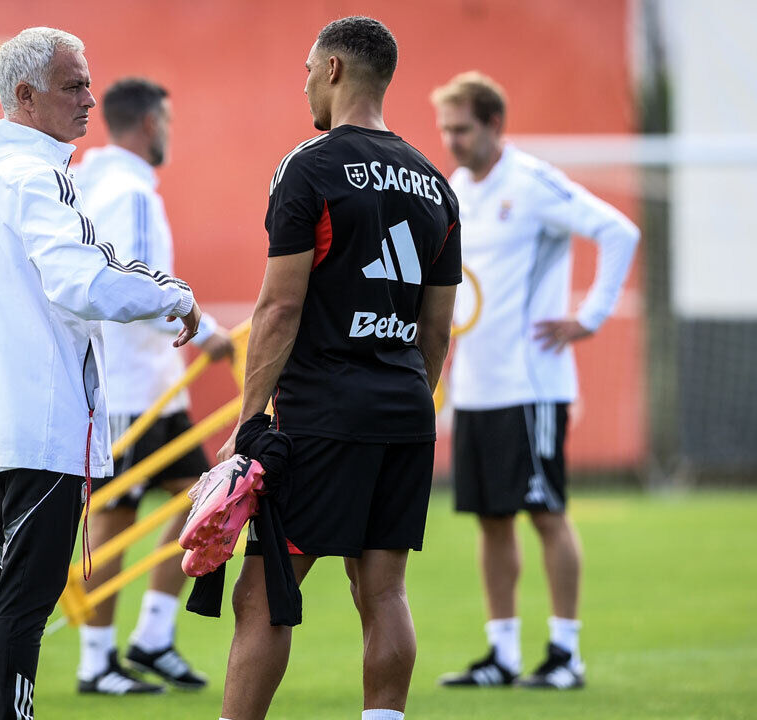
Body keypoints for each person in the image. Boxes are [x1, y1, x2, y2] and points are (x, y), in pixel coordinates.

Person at [0, 27, 203, 720]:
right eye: (73, 85)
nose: (90, 99)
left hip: (5, 421)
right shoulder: (35, 175)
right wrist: (172, 294)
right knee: (22, 602)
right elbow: (82, 280)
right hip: (43, 420)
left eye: (87, 82)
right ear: (25, 98)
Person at [213, 17, 460, 720]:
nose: (304, 87)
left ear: (332, 71)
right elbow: (435, 331)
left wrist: (248, 420)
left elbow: (279, 310)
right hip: (405, 412)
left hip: (321, 414)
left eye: (306, 72)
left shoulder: (310, 166)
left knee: (264, 594)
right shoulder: (435, 183)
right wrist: (407, 397)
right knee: (382, 591)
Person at [430, 71, 639, 690]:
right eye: (445, 129)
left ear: (494, 124)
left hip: (531, 385)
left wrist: (590, 317)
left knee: (545, 514)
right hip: (476, 387)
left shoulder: (533, 181)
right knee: (491, 519)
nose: (451, 141)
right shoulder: (453, 189)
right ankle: (501, 655)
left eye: (461, 129)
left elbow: (619, 231)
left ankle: (565, 654)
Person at [71, 76, 234, 695]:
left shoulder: (94, 185)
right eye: (165, 120)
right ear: (147, 124)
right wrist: (207, 330)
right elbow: (138, 285)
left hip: (138, 384)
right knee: (120, 518)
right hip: (132, 389)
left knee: (201, 504)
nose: (168, 132)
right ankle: (100, 659)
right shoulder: (131, 192)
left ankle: (151, 639)